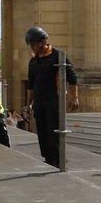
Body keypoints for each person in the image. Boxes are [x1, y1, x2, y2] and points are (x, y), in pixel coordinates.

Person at [24, 26, 80, 167]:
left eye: (33, 44)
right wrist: (28, 104)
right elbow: (31, 84)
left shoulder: (58, 55)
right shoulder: (33, 61)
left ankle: (59, 160)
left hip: (54, 101)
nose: (32, 48)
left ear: (42, 42)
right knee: (42, 133)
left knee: (53, 132)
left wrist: (75, 97)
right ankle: (48, 159)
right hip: (39, 102)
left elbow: (72, 77)